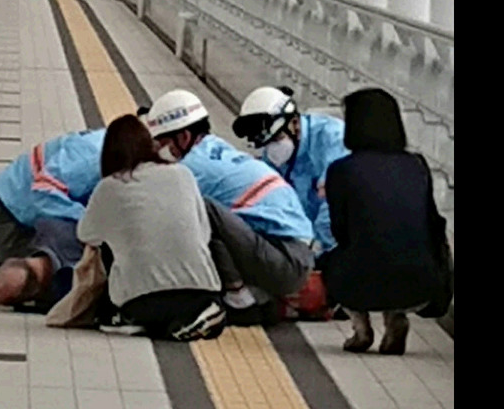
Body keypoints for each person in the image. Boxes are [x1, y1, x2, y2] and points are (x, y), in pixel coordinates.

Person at [140, 90, 316, 326]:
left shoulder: (193, 168)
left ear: (183, 137)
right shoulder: (216, 147)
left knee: (200, 209)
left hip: (285, 261)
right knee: (211, 220)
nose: (159, 151)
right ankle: (257, 296)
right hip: (291, 255)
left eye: (162, 143)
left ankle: (239, 299)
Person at [77, 115, 225, 341]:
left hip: (141, 301)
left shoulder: (109, 187)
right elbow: (204, 233)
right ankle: (196, 316)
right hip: (203, 291)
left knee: (105, 244)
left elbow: (85, 234)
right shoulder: (183, 174)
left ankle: (132, 320)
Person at [320, 88, 439, 355]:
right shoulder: (417, 165)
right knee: (394, 244)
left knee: (334, 258)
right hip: (421, 282)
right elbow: (429, 221)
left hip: (361, 282)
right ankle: (395, 317)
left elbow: (340, 231)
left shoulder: (341, 170)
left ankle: (361, 329)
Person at [0, 129, 107, 310]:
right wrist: (89, 223)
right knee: (73, 277)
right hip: (5, 221)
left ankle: (0, 264)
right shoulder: (93, 158)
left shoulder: (113, 146)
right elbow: (43, 188)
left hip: (18, 213)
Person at [233, 85, 349, 259]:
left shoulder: (332, 138)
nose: (272, 149)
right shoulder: (273, 159)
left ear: (294, 123)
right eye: (267, 144)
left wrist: (319, 248)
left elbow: (334, 204)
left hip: (340, 244)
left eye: (277, 138)